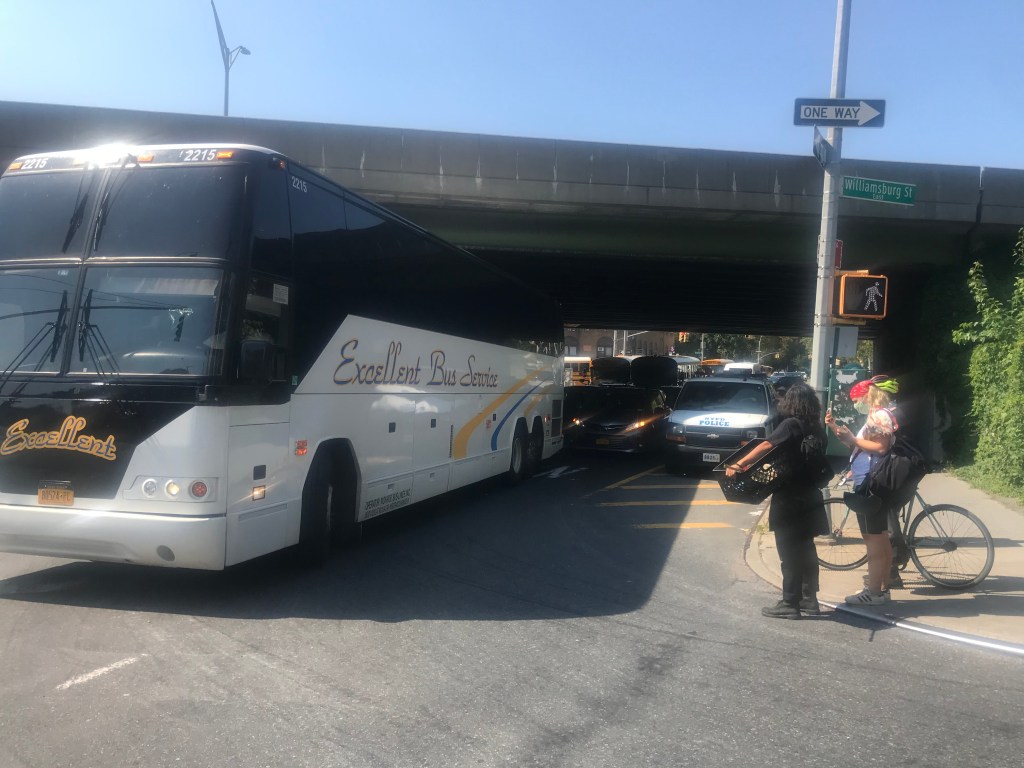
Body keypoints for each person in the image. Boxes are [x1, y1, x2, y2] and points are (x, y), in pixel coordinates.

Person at [726, 382, 829, 619]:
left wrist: (738, 464)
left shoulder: (790, 425)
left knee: (789, 551)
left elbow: (766, 445)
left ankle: (789, 603)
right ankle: (809, 599)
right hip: (812, 496)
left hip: (789, 497)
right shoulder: (816, 427)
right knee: (806, 549)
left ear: (792, 402)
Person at [826, 374, 901, 605]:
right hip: (871, 480)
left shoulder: (879, 415)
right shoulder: (878, 416)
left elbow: (879, 447)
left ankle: (874, 593)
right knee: (881, 540)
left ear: (869, 396)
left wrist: (853, 440)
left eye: (859, 399)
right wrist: (837, 429)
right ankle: (883, 590)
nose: (856, 404)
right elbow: (861, 447)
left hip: (870, 483)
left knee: (873, 541)